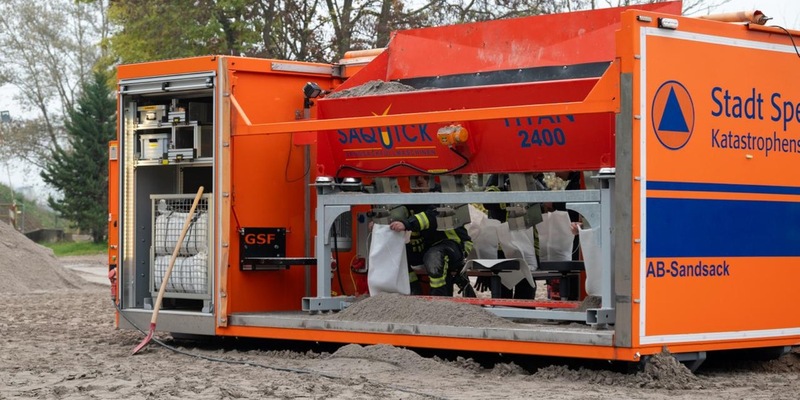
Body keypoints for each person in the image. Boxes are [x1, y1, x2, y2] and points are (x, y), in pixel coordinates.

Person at [389, 175, 476, 297]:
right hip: (428, 246)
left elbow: (433, 216)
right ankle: (414, 291)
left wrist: (407, 224)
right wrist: (380, 224)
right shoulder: (414, 198)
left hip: (455, 244)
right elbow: (398, 213)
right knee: (398, 255)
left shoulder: (441, 195)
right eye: (413, 185)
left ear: (429, 181)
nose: (416, 189)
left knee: (434, 257)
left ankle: (438, 301)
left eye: (419, 184)